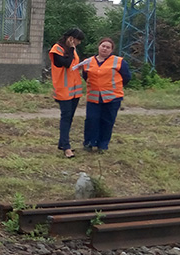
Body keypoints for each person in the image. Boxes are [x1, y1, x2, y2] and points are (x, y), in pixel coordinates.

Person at [82, 37, 131, 153]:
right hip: (94, 97)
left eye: (108, 47)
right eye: (103, 46)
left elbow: (127, 77)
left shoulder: (119, 62)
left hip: (112, 98)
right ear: (98, 47)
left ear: (111, 50)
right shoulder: (88, 62)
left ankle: (102, 145)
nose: (105, 49)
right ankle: (89, 143)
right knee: (91, 120)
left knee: (107, 121)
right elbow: (85, 76)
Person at [49, 28, 85, 159]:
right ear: (71, 38)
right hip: (63, 89)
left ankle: (62, 143)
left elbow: (73, 65)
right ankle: (66, 147)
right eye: (78, 40)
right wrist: (70, 49)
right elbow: (66, 63)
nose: (79, 43)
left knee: (69, 118)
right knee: (66, 117)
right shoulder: (57, 49)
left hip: (74, 90)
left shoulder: (73, 50)